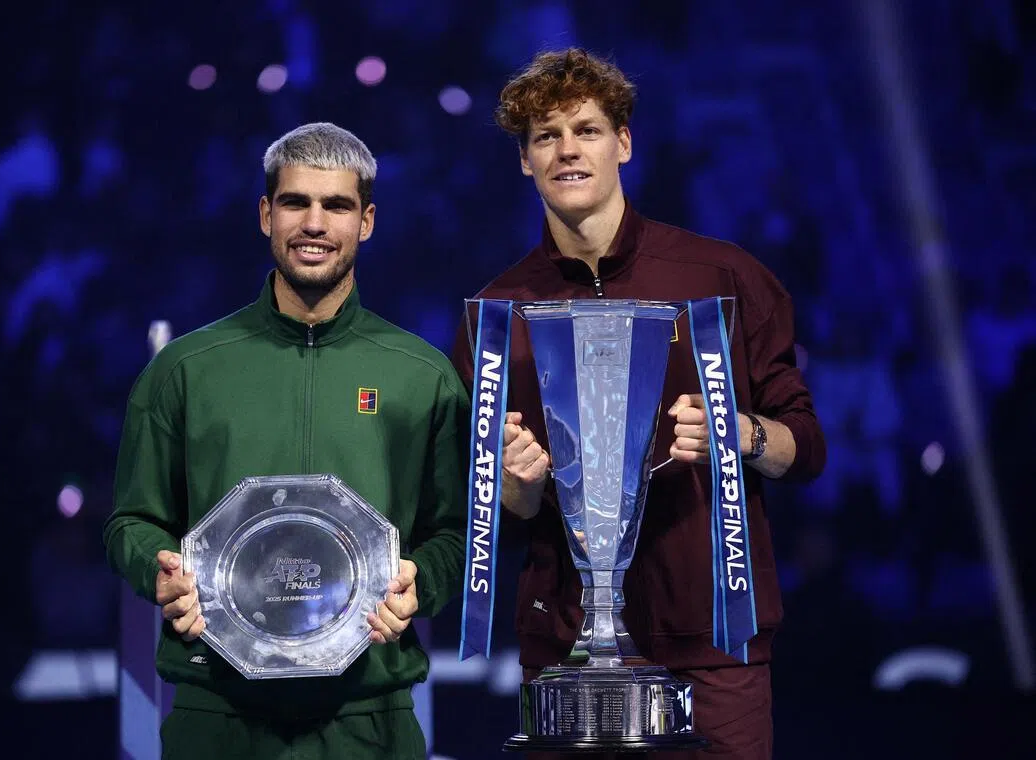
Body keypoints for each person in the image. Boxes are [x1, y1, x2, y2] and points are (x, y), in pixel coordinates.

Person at [451, 49, 826, 759]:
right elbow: (491, 505)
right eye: (544, 137)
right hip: (567, 649)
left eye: (586, 130)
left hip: (712, 641)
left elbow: (805, 446)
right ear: (524, 162)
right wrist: (517, 487)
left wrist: (740, 433)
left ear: (623, 142)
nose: (567, 150)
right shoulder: (495, 315)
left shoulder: (724, 278)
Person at [103, 122, 469, 760]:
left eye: (337, 205)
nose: (315, 223)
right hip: (215, 713)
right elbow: (131, 521)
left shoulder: (422, 374)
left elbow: (458, 532)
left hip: (369, 717)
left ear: (368, 221)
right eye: (296, 202)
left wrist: (421, 582)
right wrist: (160, 573)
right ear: (266, 214)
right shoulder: (186, 369)